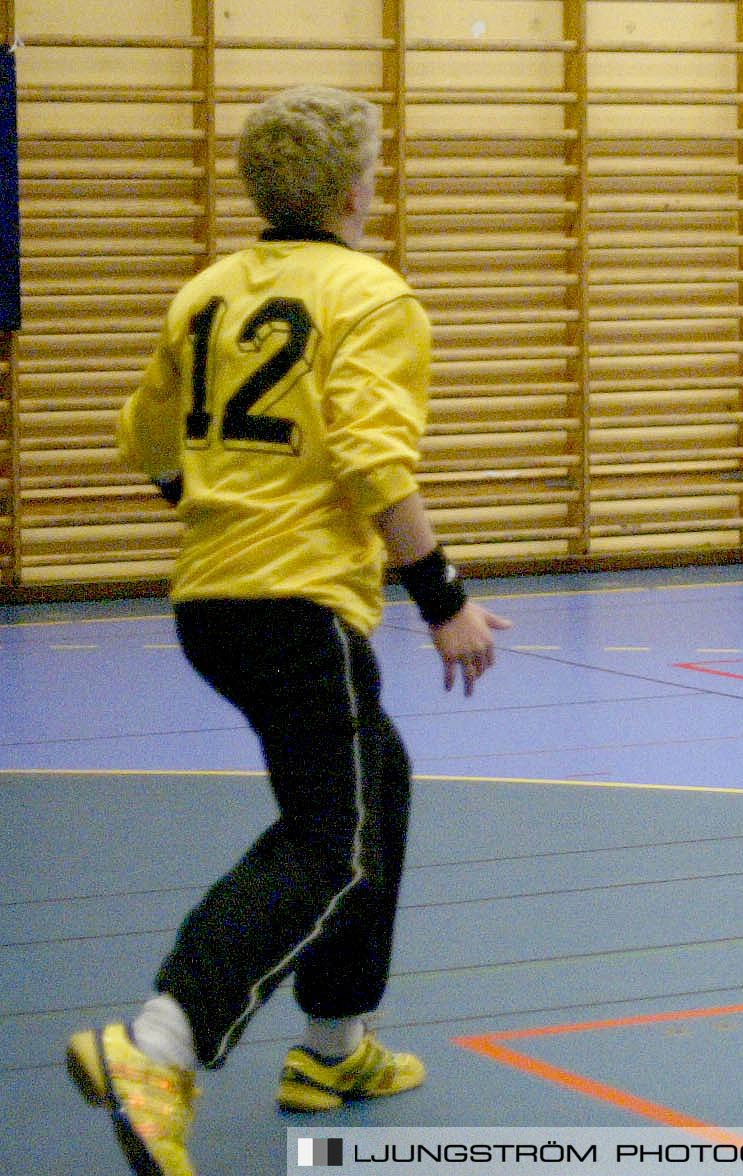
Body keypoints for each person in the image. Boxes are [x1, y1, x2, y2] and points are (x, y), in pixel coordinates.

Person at [66, 85, 511, 1176]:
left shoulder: (208, 289)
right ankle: (159, 1044)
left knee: (377, 785)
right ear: (359, 186)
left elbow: (142, 437)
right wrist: (444, 599)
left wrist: (224, 498)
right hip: (296, 604)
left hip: (211, 600)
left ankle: (332, 1046)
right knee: (331, 839)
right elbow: (371, 459)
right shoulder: (371, 295)